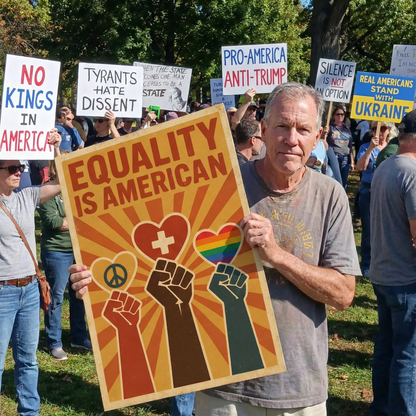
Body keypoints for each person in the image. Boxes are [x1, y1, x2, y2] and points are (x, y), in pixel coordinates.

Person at [69, 82, 360, 416]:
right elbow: (156, 253)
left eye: (303, 129)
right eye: (282, 126)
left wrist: (276, 255)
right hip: (224, 385)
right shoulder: (219, 184)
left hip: (297, 387)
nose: (291, 139)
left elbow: (343, 294)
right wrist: (101, 280)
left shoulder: (330, 196)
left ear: (319, 134)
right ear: (262, 129)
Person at [0, 131, 62, 416]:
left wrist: (56, 148)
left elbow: (63, 182)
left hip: (29, 289)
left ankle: (30, 412)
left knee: (28, 360)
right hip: (2, 292)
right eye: (12, 169)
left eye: (20, 168)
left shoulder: (26, 196)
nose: (18, 173)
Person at [369, 109, 416, 416]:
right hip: (406, 279)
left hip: (383, 273)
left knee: (386, 347)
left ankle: (381, 408)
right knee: (408, 356)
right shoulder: (412, 173)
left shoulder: (386, 166)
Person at [38, 154, 91, 361]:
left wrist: (72, 220)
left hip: (79, 251)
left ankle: (79, 336)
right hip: (57, 252)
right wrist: (77, 219)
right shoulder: (46, 191)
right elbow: (54, 222)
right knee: (56, 297)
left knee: (78, 294)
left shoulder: (79, 189)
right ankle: (54, 342)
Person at [356, 121, 396, 277]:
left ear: (389, 130)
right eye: (374, 129)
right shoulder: (365, 147)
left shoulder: (393, 149)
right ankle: (366, 265)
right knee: (369, 230)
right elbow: (360, 167)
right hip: (368, 191)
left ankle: (384, 264)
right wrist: (370, 150)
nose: (378, 132)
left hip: (388, 193)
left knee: (387, 230)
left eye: (382, 128)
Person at [322, 105, 354, 190]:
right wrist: (324, 133)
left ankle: (342, 198)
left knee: (343, 182)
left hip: (345, 158)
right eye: (338, 114)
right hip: (333, 157)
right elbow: (323, 142)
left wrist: (352, 161)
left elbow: (350, 146)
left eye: (342, 114)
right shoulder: (330, 128)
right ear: (333, 116)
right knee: (333, 179)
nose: (340, 116)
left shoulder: (347, 129)